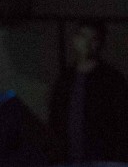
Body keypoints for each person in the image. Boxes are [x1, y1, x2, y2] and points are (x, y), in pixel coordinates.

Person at [47, 19, 128, 164]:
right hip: (68, 156)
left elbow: (122, 121)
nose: (88, 43)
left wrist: (118, 157)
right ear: (75, 39)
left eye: (94, 39)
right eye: (84, 36)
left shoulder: (112, 79)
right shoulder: (65, 79)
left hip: (102, 157)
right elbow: (55, 118)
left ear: (100, 43)